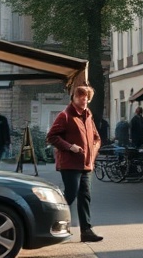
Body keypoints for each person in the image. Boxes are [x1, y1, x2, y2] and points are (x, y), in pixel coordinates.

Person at [47, 84, 103, 243]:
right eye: (81, 96)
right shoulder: (65, 116)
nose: (84, 99)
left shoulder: (88, 115)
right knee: (70, 195)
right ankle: (54, 225)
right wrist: (70, 147)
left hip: (86, 165)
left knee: (85, 196)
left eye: (87, 97)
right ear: (74, 98)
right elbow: (51, 137)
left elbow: (97, 139)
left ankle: (86, 231)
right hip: (70, 164)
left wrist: (92, 153)